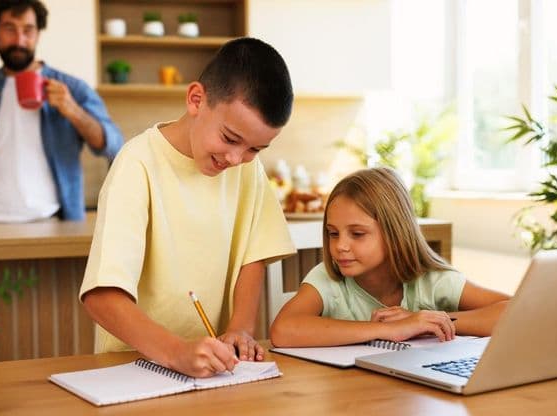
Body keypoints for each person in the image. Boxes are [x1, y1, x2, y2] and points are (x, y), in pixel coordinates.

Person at [80, 37, 296, 378]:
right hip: (131, 367)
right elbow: (101, 297)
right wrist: (176, 352)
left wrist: (240, 327)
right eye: (229, 138)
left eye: (256, 149)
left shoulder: (246, 169)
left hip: (216, 369)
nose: (236, 158)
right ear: (196, 100)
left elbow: (252, 256)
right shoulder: (137, 163)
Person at [270, 167, 510, 348]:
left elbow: (514, 311)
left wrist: (430, 321)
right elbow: (283, 330)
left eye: (357, 234)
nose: (340, 246)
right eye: (333, 233)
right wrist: (385, 330)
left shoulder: (431, 280)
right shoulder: (328, 279)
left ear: (394, 233)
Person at [0, 0, 123, 222]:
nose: (20, 40)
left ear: (38, 34)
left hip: (52, 221)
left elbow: (113, 145)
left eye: (28, 30)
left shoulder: (73, 89)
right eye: (9, 29)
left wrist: (72, 109)